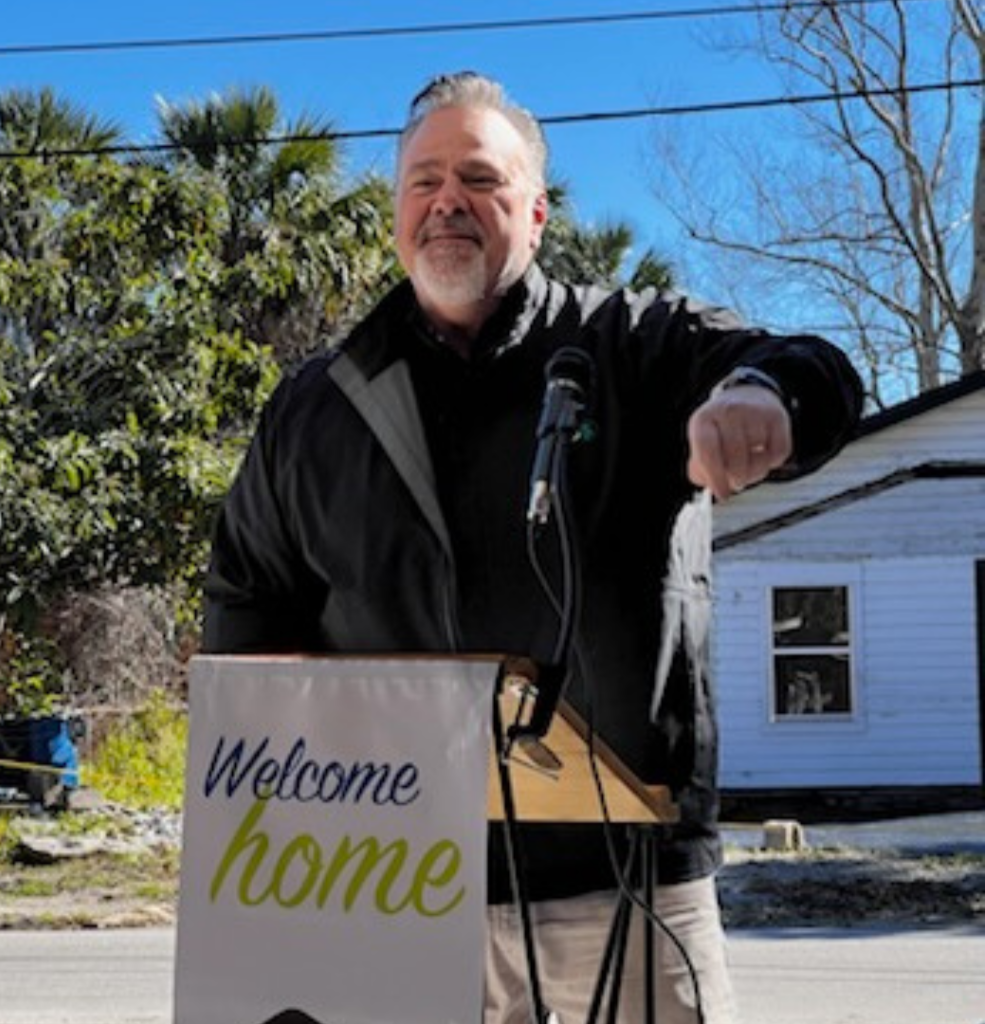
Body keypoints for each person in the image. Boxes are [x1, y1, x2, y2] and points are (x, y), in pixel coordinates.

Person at [202, 71, 864, 1024]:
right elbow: (247, 605)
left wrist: (765, 398)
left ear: (538, 212)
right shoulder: (318, 407)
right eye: (423, 181)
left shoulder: (632, 348)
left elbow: (814, 369)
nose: (447, 203)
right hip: (387, 887)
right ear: (396, 210)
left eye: (480, 178)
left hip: (626, 897)